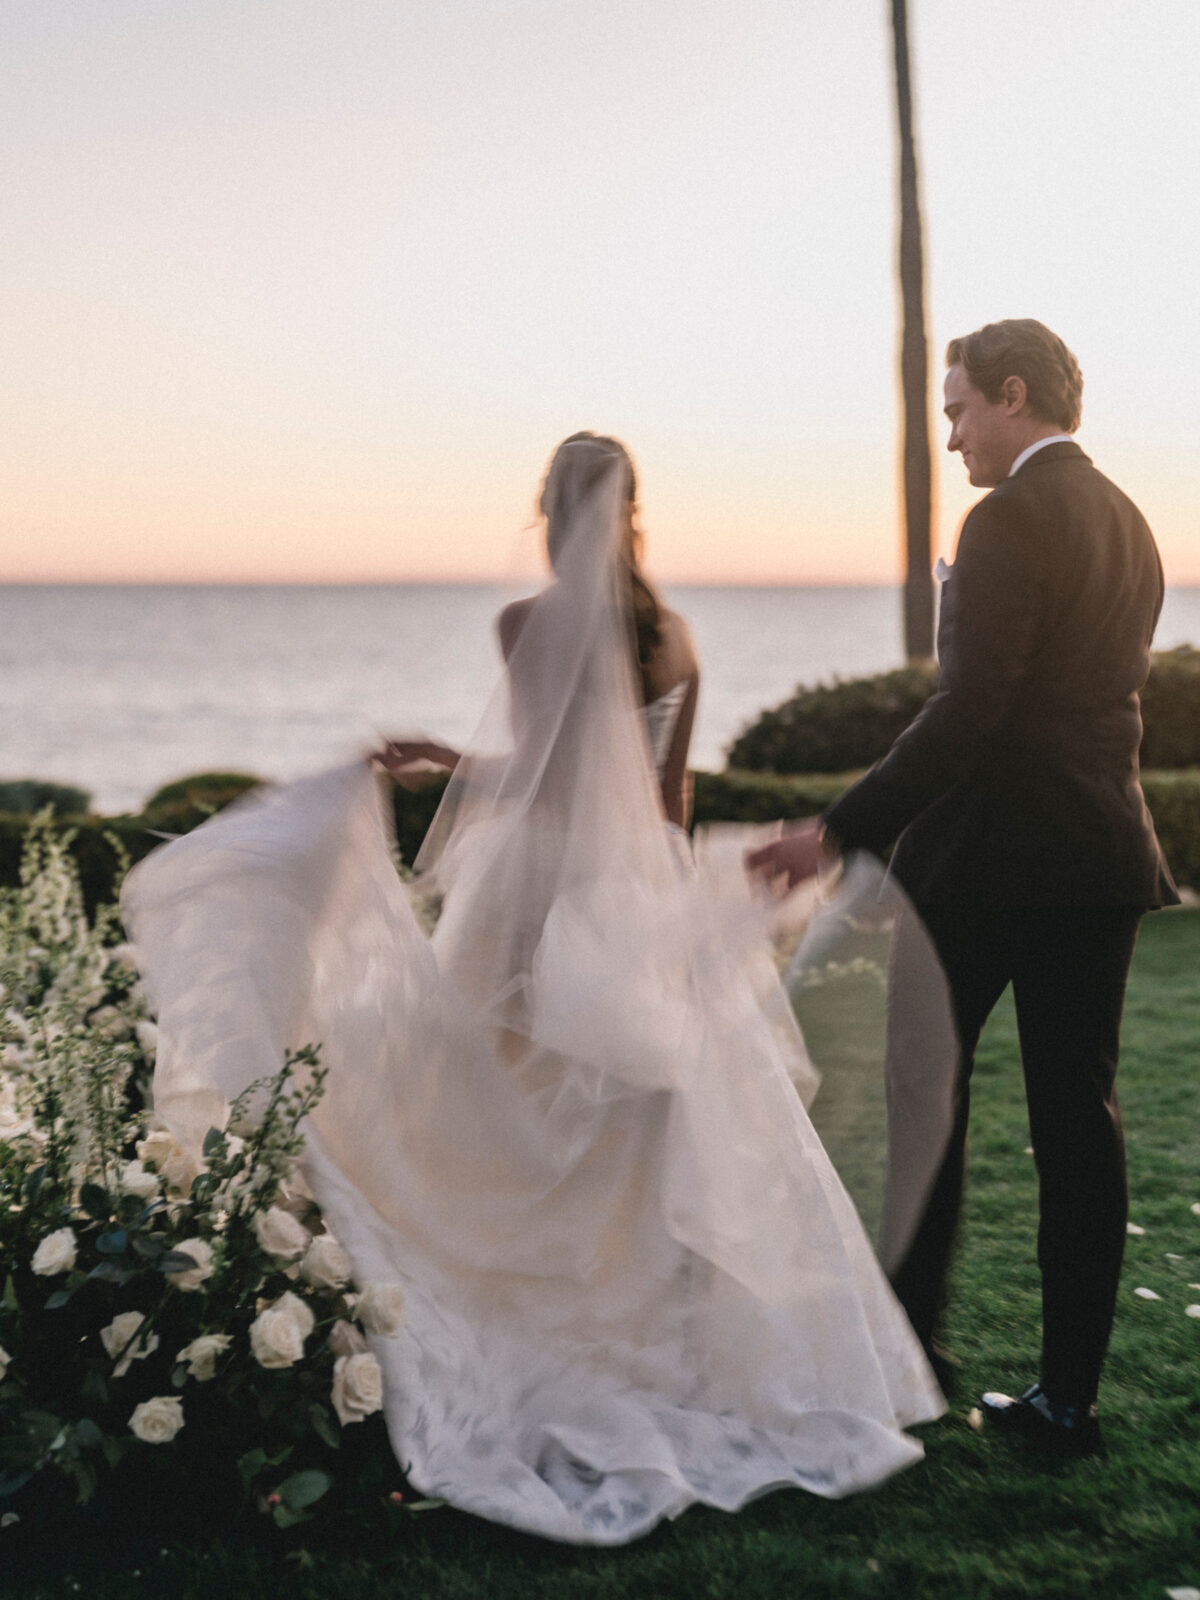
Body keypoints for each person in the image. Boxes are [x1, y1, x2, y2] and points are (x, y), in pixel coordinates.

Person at [123, 431, 943, 1545]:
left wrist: (434, 756)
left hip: (540, 904)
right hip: (639, 890)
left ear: (550, 510)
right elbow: (663, 795)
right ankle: (675, 1355)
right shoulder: (680, 635)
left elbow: (550, 775)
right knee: (643, 1133)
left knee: (496, 1113)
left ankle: (538, 1336)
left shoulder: (529, 622)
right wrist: (674, 914)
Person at [749, 321, 1177, 1455]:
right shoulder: (1131, 520)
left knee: (920, 1100)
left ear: (1014, 396)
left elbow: (969, 711)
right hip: (1100, 862)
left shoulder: (1005, 520)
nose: (951, 436)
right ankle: (1067, 1400)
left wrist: (837, 830)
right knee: (1079, 1124)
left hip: (992, 869)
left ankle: (910, 1357)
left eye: (958, 410)